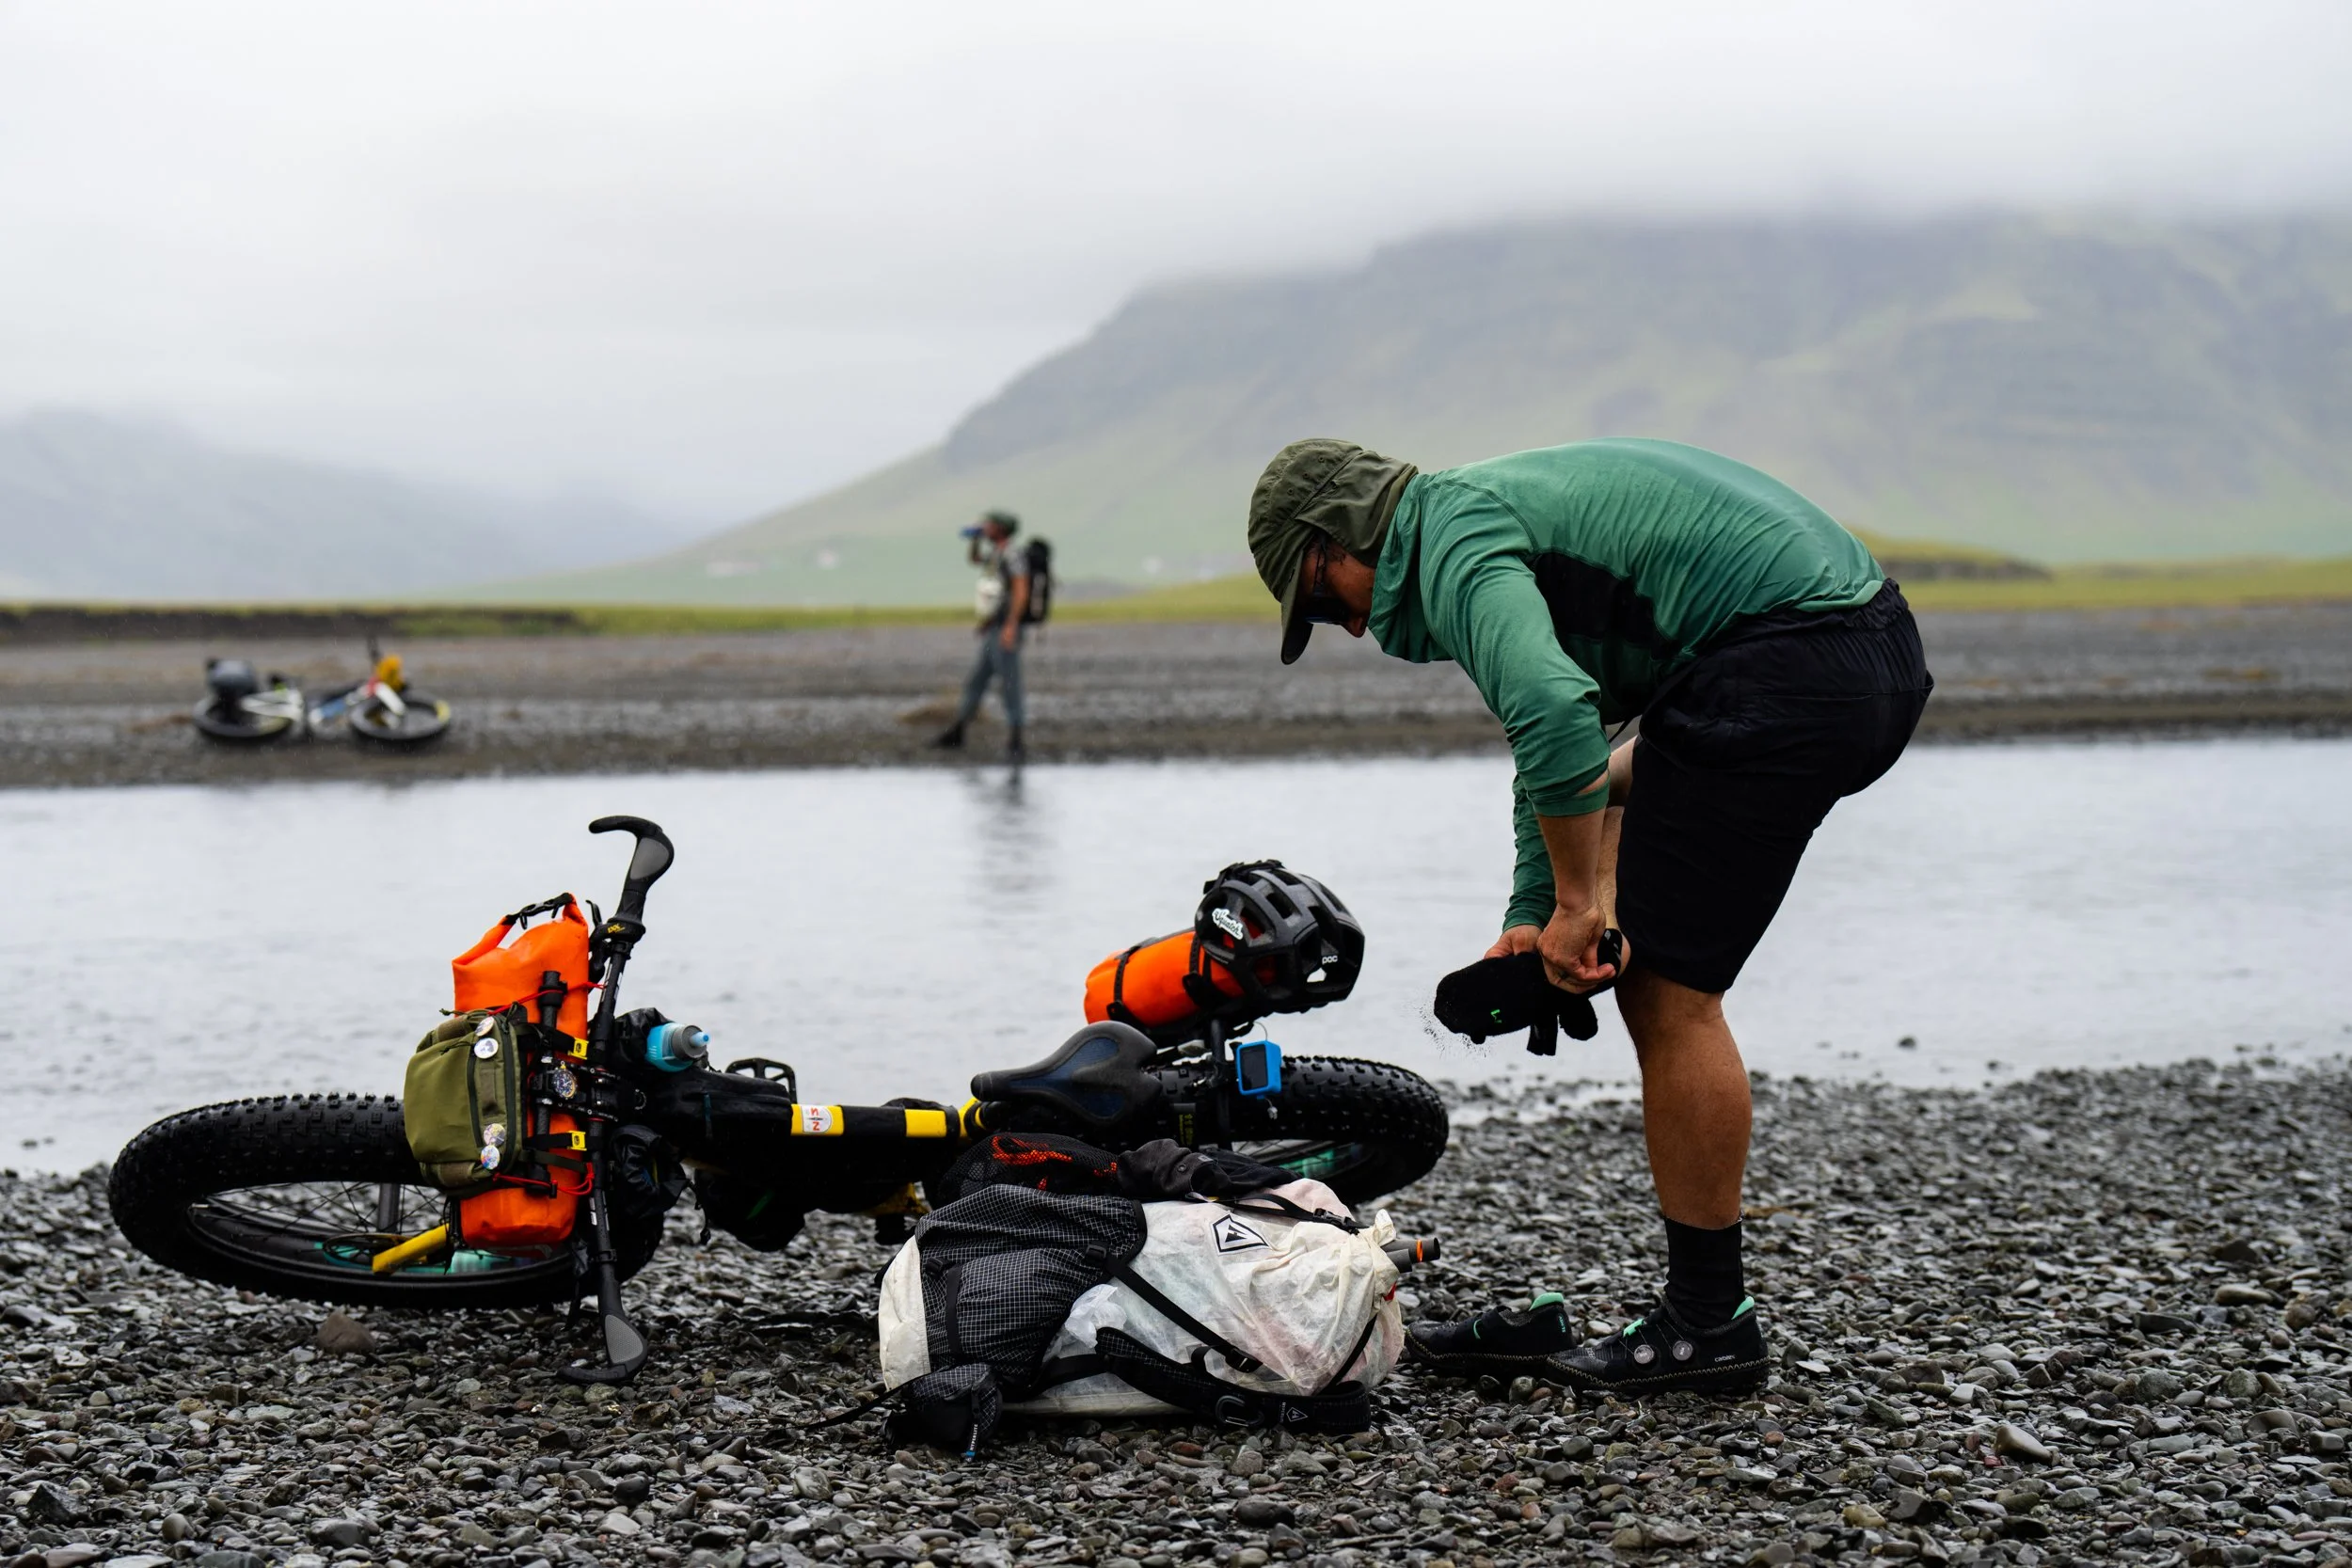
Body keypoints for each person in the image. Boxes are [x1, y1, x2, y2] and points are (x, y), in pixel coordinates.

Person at [1247, 436, 1932, 1395]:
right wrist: (1537, 913)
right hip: (1850, 647)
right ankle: (1702, 1309)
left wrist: (1580, 902)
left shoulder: (1453, 545)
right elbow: (1562, 752)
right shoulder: (1472, 517)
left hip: (1795, 658)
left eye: (1322, 602)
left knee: (1666, 991)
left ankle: (1707, 1324)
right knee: (1605, 795)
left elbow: (1553, 716)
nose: (1348, 629)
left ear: (1338, 541)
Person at [934, 509, 1031, 759]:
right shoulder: (996, 554)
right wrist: (975, 538)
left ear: (1001, 528)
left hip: (1007, 628)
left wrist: (1011, 625)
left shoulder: (1013, 554)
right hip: (993, 627)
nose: (986, 527)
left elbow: (1021, 591)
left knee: (1010, 683)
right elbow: (975, 560)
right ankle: (958, 731)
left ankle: (1016, 739)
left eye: (989, 525)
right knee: (976, 680)